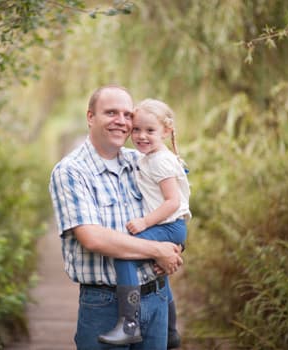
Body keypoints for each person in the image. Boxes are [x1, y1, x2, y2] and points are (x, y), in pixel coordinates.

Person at [48, 86, 184, 349]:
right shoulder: (71, 171)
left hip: (156, 297)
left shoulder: (142, 161)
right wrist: (157, 249)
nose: (121, 121)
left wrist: (175, 248)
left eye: (127, 114)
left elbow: (172, 208)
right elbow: (93, 238)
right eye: (111, 112)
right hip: (104, 305)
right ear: (90, 117)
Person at [97, 99, 191, 347]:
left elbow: (172, 201)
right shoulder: (150, 157)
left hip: (169, 225)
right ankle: (170, 331)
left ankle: (129, 323)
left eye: (150, 131)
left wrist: (144, 222)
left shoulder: (159, 160)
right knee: (159, 273)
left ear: (166, 131)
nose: (141, 136)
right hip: (172, 226)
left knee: (125, 252)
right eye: (136, 129)